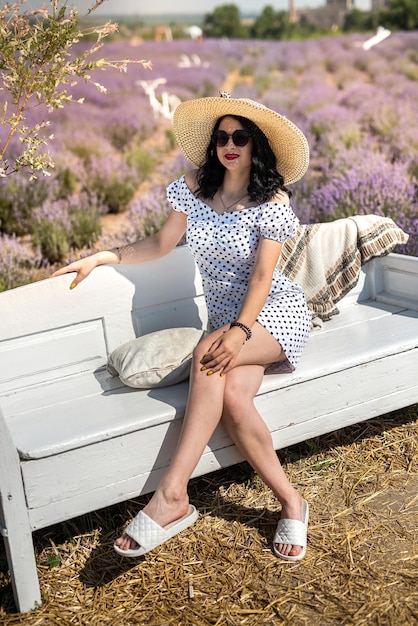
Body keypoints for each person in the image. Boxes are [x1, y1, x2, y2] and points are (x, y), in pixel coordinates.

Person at [52, 92, 312, 562]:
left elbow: (262, 278)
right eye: (221, 137)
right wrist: (104, 255)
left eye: (240, 136)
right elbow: (160, 242)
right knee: (233, 396)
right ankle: (292, 500)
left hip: (272, 313)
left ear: (258, 146)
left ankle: (172, 495)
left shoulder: (270, 200)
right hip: (224, 324)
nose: (229, 145)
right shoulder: (192, 187)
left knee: (208, 352)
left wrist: (237, 332)